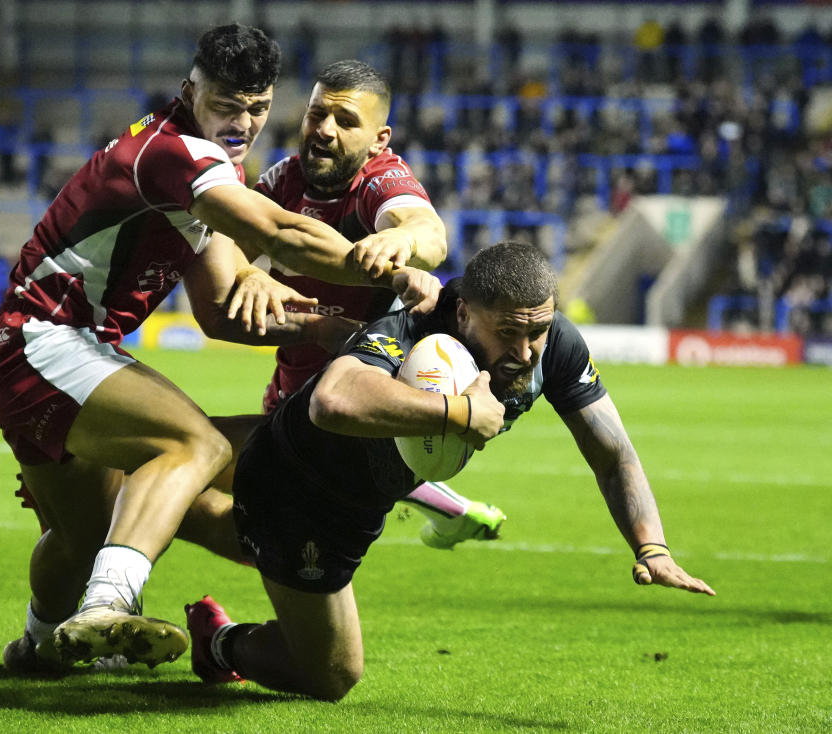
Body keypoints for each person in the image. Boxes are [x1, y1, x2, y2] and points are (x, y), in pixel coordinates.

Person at [0, 23, 434, 675]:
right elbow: (280, 230)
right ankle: (108, 603)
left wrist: (320, 329)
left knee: (78, 531)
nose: (243, 121)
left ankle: (39, 647)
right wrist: (385, 269)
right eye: (227, 104)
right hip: (44, 340)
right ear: (192, 90)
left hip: (38, 352)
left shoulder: (209, 164)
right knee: (200, 445)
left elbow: (219, 308)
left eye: (258, 107)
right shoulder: (178, 154)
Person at [185, 240, 716, 701]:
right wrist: (460, 412)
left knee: (237, 537)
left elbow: (613, 454)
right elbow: (332, 400)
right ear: (463, 315)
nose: (525, 352)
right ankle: (218, 643)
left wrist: (652, 548)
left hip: (361, 504)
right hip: (300, 487)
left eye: (538, 331)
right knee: (331, 676)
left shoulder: (551, 345)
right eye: (508, 332)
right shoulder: (413, 324)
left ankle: (145, 506)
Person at [182, 60, 506, 562]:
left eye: (346, 121)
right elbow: (223, 266)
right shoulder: (282, 179)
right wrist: (247, 273)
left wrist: (402, 238)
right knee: (260, 523)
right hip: (293, 395)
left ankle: (133, 581)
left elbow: (427, 230)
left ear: (381, 138)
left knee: (195, 473)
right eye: (316, 115)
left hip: (351, 408)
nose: (324, 131)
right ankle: (449, 509)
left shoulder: (379, 180)